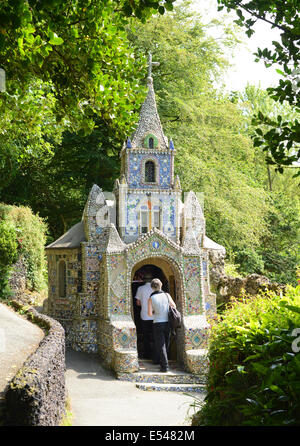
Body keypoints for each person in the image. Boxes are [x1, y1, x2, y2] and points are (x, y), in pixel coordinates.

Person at [147, 278, 176, 372]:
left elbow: (150, 314)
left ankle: (165, 366)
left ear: (152, 287)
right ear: (161, 285)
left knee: (160, 345)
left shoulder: (151, 298)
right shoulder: (167, 295)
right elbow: (174, 306)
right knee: (166, 344)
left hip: (157, 323)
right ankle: (163, 362)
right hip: (167, 322)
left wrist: (156, 311)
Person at [134, 273, 155, 360]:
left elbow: (138, 303)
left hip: (144, 316)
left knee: (146, 336)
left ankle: (147, 354)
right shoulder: (155, 288)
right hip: (155, 316)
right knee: (155, 337)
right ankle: (156, 354)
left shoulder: (140, 288)